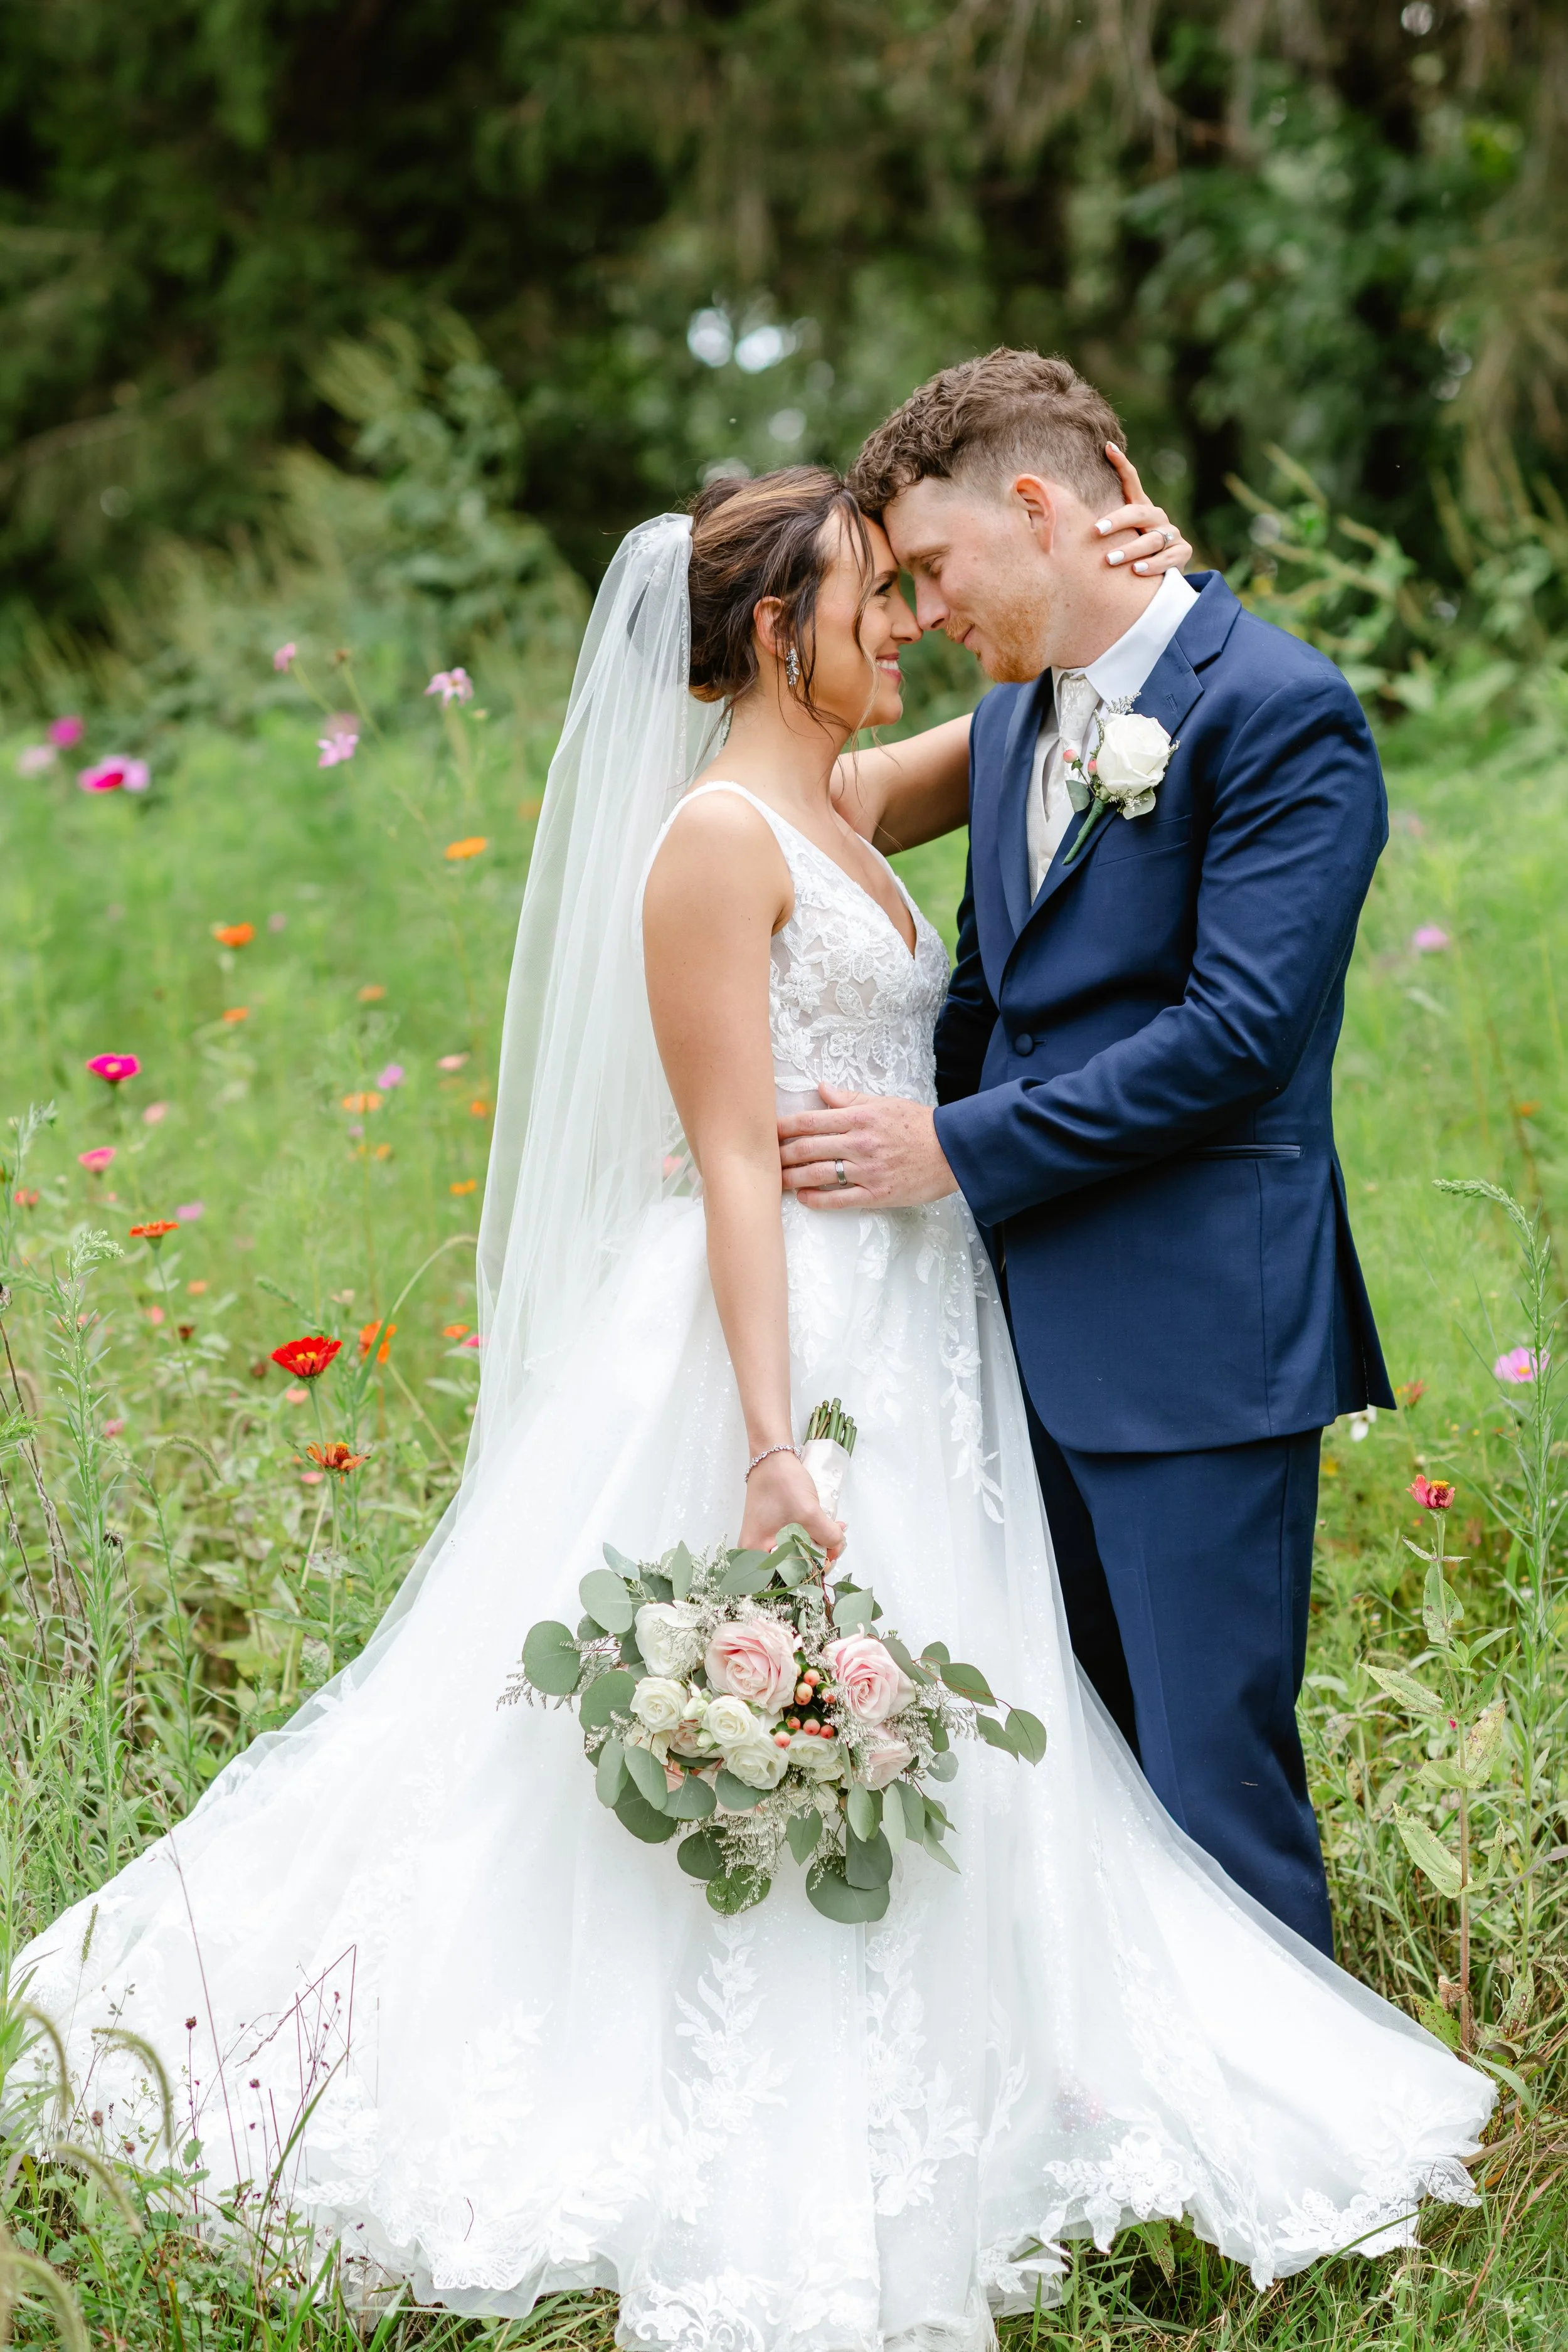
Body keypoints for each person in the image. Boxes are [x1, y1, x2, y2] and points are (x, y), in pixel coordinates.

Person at [14, 459, 1490, 2346]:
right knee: (772, 1703)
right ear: (776, 629)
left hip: (931, 1314)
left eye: (908, 586)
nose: (906, 621)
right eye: (876, 595)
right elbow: (728, 1163)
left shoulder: (841, 799)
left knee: (985, 1708)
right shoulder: (717, 836)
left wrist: (1130, 580)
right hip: (790, 1330)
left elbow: (1056, 700)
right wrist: (776, 1436)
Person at [780, 350, 1396, 1959]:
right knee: (1075, 1781)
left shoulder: (1275, 710)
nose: (918, 613)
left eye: (929, 568)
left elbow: (1233, 1039)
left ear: (1040, 507)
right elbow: (982, 994)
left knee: (1209, 1781)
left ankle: (1305, 2193)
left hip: (1196, 1339)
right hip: (997, 1343)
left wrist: (944, 1151)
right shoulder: (1008, 729)